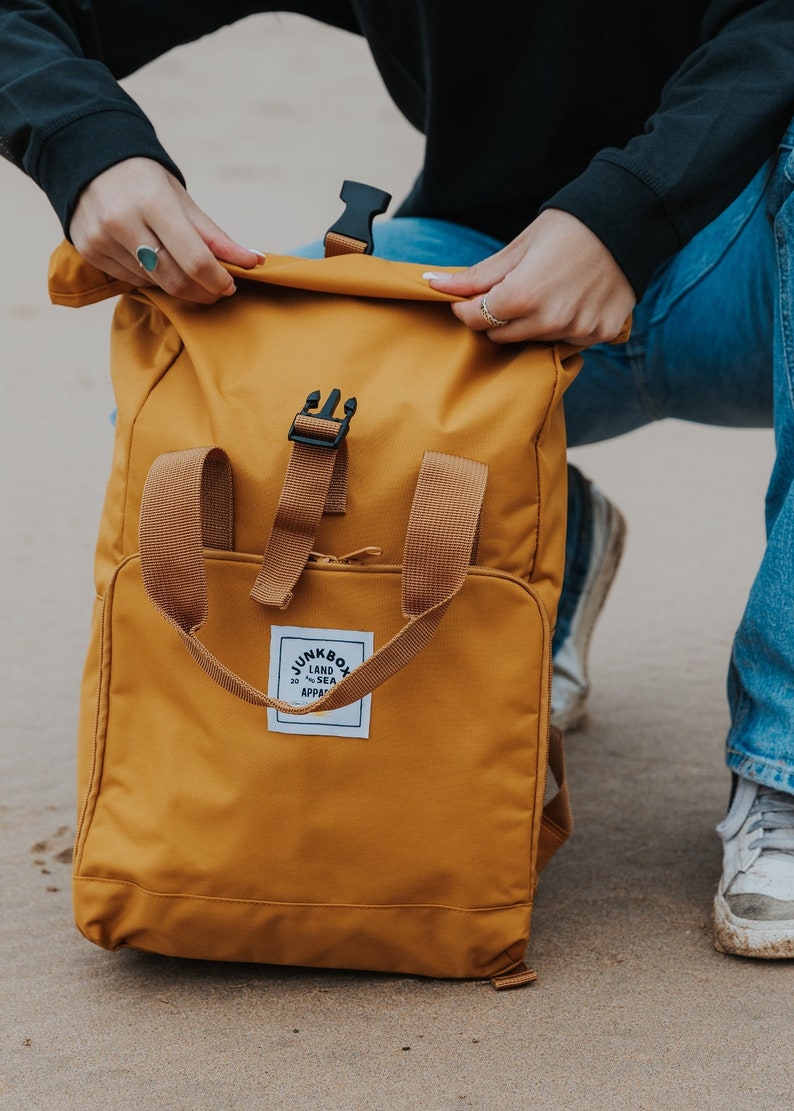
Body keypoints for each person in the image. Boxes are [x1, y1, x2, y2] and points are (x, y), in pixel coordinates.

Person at [2, 1, 794, 959]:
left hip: (745, 256)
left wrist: (627, 213)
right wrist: (88, 148)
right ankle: (532, 526)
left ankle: (782, 761)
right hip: (493, 279)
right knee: (226, 388)